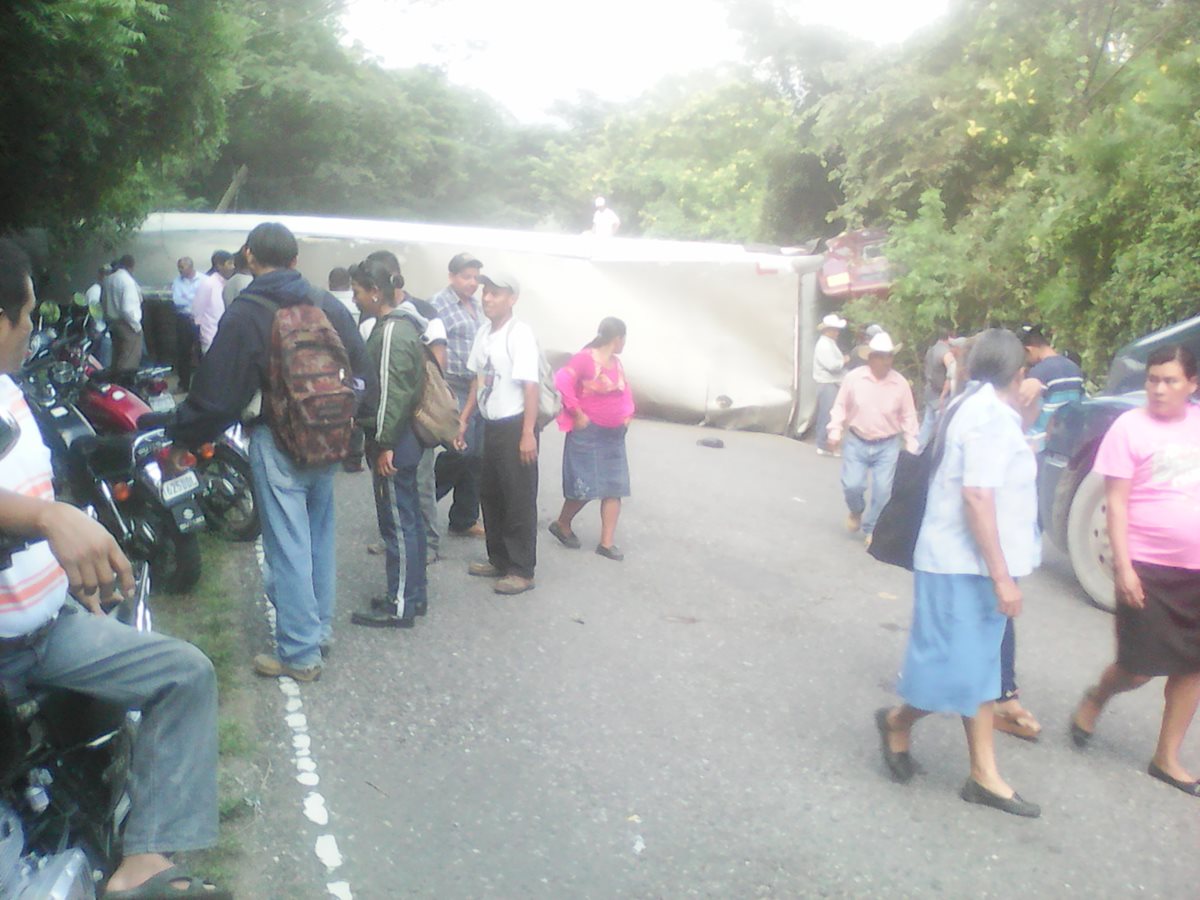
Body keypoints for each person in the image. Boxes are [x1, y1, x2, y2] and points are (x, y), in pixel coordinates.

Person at [0, 238, 227, 897]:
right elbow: (38, 513)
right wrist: (49, 521)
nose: (33, 327)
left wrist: (69, 576)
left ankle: (145, 858)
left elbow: (37, 494)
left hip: (53, 625)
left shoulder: (12, 393)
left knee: (184, 672)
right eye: (29, 314)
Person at [167, 222, 370, 681]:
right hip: (330, 437)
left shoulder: (248, 309)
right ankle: (317, 631)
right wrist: (351, 418)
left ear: (250, 257)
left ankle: (299, 654)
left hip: (277, 438)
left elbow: (218, 394)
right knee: (318, 535)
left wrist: (183, 432)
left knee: (288, 545)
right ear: (295, 260)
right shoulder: (325, 302)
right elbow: (361, 365)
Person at [876, 328, 1041, 818]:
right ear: (1020, 373)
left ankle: (983, 774)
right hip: (962, 565)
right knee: (953, 672)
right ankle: (896, 720)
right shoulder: (987, 415)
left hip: (963, 563)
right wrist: (1002, 578)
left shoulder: (976, 405)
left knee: (980, 671)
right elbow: (977, 496)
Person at [1070, 345, 1200, 798]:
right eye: (1153, 380)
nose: (1159, 389)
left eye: (1170, 381)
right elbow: (1116, 504)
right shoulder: (1128, 428)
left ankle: (1166, 757)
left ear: (1192, 384)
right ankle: (1098, 695)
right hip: (1145, 566)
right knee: (1138, 669)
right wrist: (1123, 568)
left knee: (1193, 667)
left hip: (1197, 570)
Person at [347, 259, 428, 629]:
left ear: (375, 292)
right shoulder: (398, 326)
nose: (355, 297)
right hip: (402, 439)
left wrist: (385, 444)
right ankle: (412, 595)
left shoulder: (393, 332)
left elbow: (392, 394)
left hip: (395, 442)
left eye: (358, 290)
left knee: (398, 524)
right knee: (408, 522)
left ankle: (400, 605)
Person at [455, 272, 541, 595]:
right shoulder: (484, 333)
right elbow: (478, 380)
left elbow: (530, 386)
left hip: (516, 424)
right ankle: (498, 559)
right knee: (490, 493)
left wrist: (528, 433)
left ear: (512, 298)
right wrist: (464, 418)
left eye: (496, 293)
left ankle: (522, 569)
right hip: (491, 424)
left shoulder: (520, 334)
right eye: (486, 292)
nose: (487, 298)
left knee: (518, 498)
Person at [366, 250, 448, 562]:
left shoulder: (425, 310)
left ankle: (428, 544)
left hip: (416, 412)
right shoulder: (373, 313)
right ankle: (394, 539)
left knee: (421, 481)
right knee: (384, 481)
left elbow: (438, 361)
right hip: (384, 412)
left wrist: (420, 406)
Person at [548, 317, 635, 560]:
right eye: (624, 339)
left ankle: (606, 543)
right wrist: (577, 411)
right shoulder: (585, 359)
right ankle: (562, 523)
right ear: (618, 338)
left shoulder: (615, 363)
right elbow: (562, 381)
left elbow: (625, 392)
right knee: (584, 486)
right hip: (588, 431)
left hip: (614, 433)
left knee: (614, 486)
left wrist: (628, 414)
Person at [827, 331, 918, 547]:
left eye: (889, 356)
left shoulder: (900, 384)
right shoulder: (854, 379)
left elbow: (908, 416)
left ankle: (872, 527)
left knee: (883, 490)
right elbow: (840, 405)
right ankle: (856, 510)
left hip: (887, 443)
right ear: (871, 358)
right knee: (852, 485)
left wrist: (912, 444)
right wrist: (835, 430)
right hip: (857, 439)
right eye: (881, 356)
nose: (886, 361)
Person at [432, 252, 486, 538]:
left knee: (477, 455)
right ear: (452, 276)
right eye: (466, 276)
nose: (472, 283)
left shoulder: (477, 306)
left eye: (475, 277)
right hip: (452, 385)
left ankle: (464, 518)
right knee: (460, 450)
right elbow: (429, 346)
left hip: (478, 386)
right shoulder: (438, 305)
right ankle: (420, 505)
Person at [1018, 326, 1085, 451]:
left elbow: (1028, 414)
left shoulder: (1039, 373)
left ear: (1029, 349)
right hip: (1067, 443)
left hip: (1041, 445)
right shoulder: (1074, 368)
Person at [813, 313, 848, 456]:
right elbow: (832, 365)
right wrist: (844, 361)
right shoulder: (824, 345)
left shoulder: (829, 343)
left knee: (830, 413)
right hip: (827, 383)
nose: (837, 332)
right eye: (835, 329)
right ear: (828, 330)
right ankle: (823, 443)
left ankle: (827, 443)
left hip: (831, 383)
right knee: (827, 414)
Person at [102, 254, 143, 371]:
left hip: (113, 323)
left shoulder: (108, 279)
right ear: (131, 266)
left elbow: (103, 301)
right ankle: (124, 385)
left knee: (117, 356)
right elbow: (127, 309)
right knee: (129, 360)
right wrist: (136, 326)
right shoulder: (127, 281)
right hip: (127, 324)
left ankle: (114, 384)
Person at [917, 324, 955, 451]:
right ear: (950, 337)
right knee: (941, 429)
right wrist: (946, 391)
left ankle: (917, 451)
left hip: (930, 391)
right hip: (941, 396)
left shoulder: (931, 350)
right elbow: (952, 370)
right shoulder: (945, 352)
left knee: (927, 425)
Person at [169, 257, 204, 392]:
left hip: (199, 319)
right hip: (183, 319)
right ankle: (184, 384)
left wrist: (189, 300)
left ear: (191, 267)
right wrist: (194, 300)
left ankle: (203, 386)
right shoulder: (177, 281)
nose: (180, 270)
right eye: (179, 267)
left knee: (201, 351)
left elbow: (204, 300)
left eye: (182, 267)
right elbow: (177, 300)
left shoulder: (203, 280)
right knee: (183, 352)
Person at [193, 250, 235, 355]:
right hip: (210, 337)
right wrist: (203, 335)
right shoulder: (208, 283)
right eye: (229, 263)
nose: (233, 267)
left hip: (225, 337)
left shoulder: (228, 284)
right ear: (219, 266)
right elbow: (197, 311)